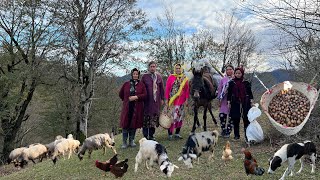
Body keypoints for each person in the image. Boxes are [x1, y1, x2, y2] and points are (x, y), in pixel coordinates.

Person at [119, 68, 146, 148]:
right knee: (125, 124)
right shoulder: (126, 84)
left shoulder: (141, 85)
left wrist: (136, 97)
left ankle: (131, 141)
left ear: (138, 75)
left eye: (137, 74)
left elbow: (145, 95)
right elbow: (121, 94)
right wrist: (126, 100)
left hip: (136, 108)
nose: (135, 75)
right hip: (127, 108)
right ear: (132, 74)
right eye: (134, 74)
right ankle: (124, 142)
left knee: (133, 124)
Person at [226, 67, 254, 141]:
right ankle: (236, 135)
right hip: (235, 102)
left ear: (242, 74)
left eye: (239, 73)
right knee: (236, 119)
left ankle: (247, 135)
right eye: (236, 73)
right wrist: (228, 102)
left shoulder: (246, 82)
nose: (238, 75)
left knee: (246, 119)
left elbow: (249, 93)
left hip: (245, 102)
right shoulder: (231, 82)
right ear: (234, 74)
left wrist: (251, 101)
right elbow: (229, 93)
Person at [165, 63, 189, 140]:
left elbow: (187, 90)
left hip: (181, 101)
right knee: (172, 117)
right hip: (172, 101)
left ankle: (177, 133)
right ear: (174, 69)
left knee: (180, 117)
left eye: (179, 68)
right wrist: (166, 99)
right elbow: (167, 89)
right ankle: (170, 134)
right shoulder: (171, 77)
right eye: (177, 68)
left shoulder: (185, 78)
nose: (178, 70)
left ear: (181, 69)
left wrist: (186, 99)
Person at [141, 61, 165, 140]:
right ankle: (145, 136)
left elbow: (161, 88)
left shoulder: (159, 77)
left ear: (156, 67)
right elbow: (141, 88)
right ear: (149, 67)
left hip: (156, 102)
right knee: (146, 118)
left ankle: (151, 135)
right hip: (147, 101)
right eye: (151, 66)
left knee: (154, 119)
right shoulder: (145, 77)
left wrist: (162, 98)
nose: (152, 68)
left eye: (154, 66)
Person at [217, 64, 234, 138]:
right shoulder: (223, 79)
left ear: (233, 70)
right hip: (224, 100)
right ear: (226, 71)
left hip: (232, 101)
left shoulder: (235, 79)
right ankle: (223, 130)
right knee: (222, 116)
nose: (229, 71)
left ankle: (228, 132)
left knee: (231, 117)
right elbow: (220, 89)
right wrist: (219, 99)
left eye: (230, 69)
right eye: (227, 69)